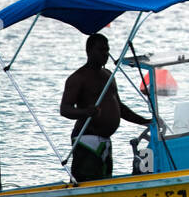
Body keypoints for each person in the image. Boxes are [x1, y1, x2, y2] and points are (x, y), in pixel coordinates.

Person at [60, 34, 152, 182]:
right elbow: (64, 109)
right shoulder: (78, 77)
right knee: (86, 181)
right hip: (86, 140)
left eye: (107, 50)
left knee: (104, 181)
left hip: (105, 141)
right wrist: (85, 112)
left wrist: (144, 121)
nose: (105, 54)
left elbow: (120, 108)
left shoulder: (109, 75)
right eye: (101, 50)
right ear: (89, 51)